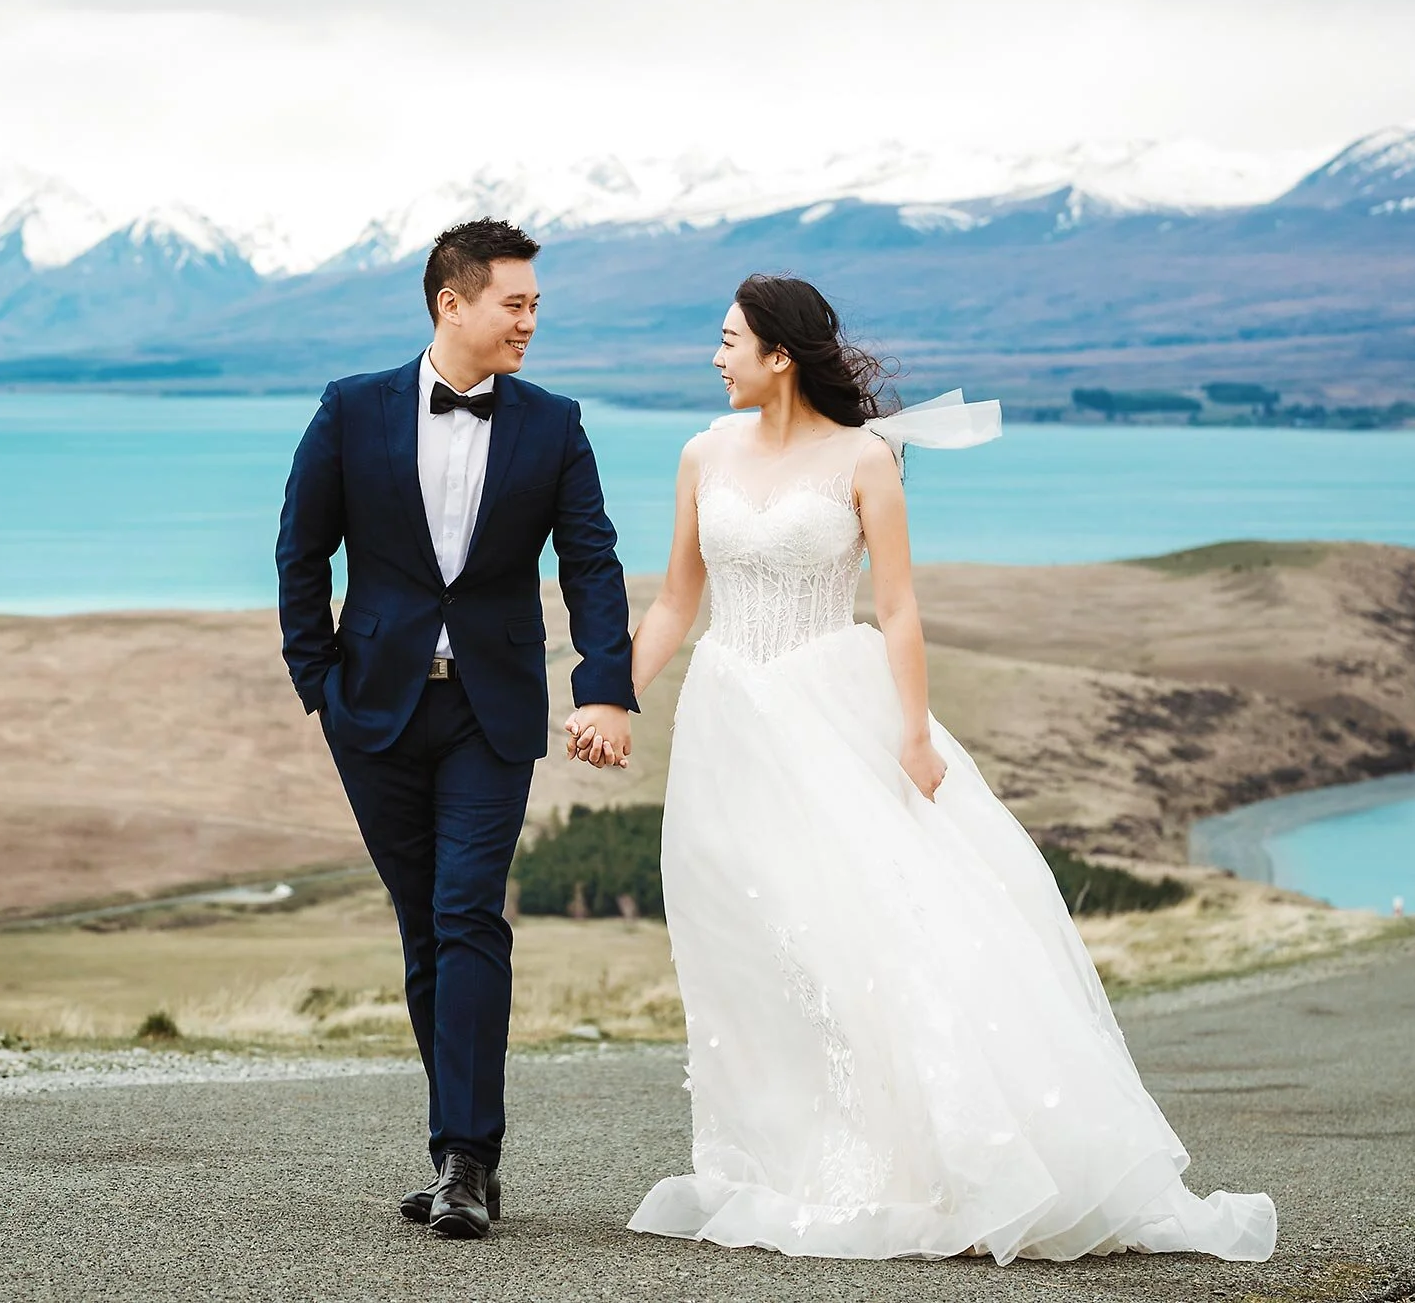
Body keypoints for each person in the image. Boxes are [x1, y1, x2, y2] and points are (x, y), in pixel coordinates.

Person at [595, 273, 1278, 1265]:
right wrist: (616, 692)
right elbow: (672, 603)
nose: (716, 356)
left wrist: (911, 734)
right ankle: (777, 1159)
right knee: (747, 937)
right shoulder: (701, 452)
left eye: (729, 338)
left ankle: (914, 1161)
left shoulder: (866, 461)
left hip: (834, 710)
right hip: (728, 720)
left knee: (863, 926)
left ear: (779, 355)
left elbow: (902, 609)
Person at [275, 218, 635, 1241]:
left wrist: (601, 684)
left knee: (469, 911)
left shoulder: (554, 424)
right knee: (424, 927)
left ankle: (469, 1157)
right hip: (374, 709)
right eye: (514, 303)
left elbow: (592, 563)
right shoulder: (351, 410)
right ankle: (452, 1151)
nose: (529, 320)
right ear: (452, 302)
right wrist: (319, 683)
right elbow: (301, 550)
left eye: (533, 305)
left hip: (491, 707)